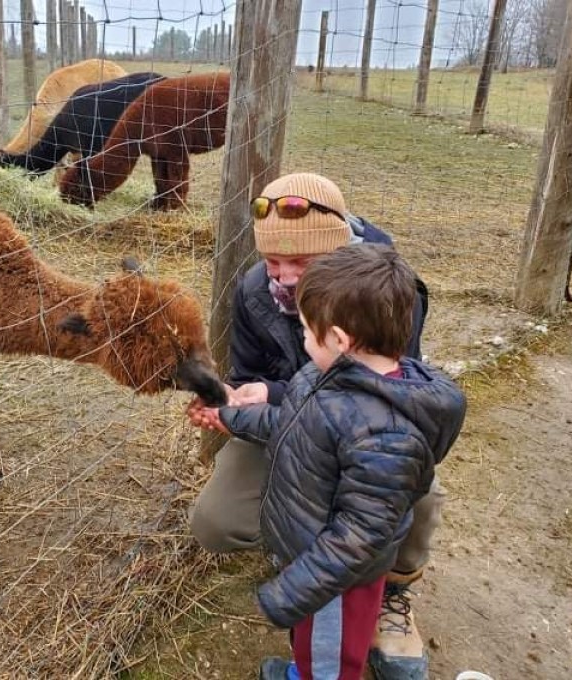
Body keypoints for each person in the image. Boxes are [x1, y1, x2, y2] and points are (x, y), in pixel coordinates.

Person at [188, 173, 443, 679]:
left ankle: (389, 589)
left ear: (338, 254)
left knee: (414, 490)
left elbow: (385, 393)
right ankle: (297, 545)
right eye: (272, 261)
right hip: (292, 417)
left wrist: (292, 592)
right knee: (215, 521)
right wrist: (242, 402)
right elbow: (252, 373)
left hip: (366, 430)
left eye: (301, 264)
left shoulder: (390, 289)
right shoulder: (255, 290)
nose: (282, 278)